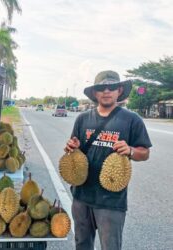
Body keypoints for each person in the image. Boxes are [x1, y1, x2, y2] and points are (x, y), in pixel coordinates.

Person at [64, 70, 152, 250]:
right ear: (95, 93)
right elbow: (75, 147)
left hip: (111, 201)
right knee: (81, 244)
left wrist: (130, 150)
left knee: (110, 246)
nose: (106, 91)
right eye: (101, 88)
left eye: (111, 87)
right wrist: (71, 147)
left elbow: (144, 153)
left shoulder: (131, 120)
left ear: (119, 90)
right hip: (81, 196)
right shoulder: (82, 119)